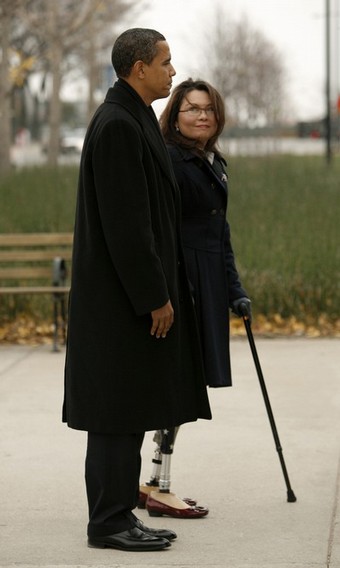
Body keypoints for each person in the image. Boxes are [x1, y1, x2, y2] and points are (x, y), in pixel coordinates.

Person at [62, 33, 212, 552]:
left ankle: (120, 514)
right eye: (166, 63)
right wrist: (155, 296)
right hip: (120, 303)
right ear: (140, 67)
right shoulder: (119, 126)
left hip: (125, 300)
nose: (174, 71)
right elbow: (128, 226)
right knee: (114, 413)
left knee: (126, 410)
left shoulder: (134, 118)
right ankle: (107, 522)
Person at [139, 78, 251, 518]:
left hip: (208, 281)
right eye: (191, 108)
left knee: (185, 383)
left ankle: (151, 481)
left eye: (208, 109)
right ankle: (160, 484)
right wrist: (163, 290)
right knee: (177, 384)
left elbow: (219, 233)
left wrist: (235, 290)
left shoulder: (212, 162)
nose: (201, 115)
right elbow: (158, 229)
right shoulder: (170, 160)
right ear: (175, 115)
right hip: (181, 281)